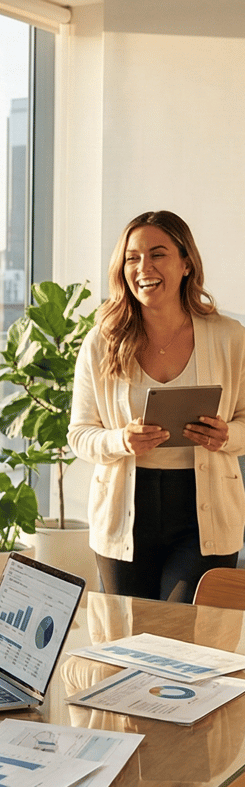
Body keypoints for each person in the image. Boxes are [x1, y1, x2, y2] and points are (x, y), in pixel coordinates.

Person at [69, 210, 245, 603]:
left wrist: (228, 435)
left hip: (204, 512)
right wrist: (120, 441)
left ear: (186, 263)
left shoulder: (230, 337)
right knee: (127, 640)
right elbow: (79, 435)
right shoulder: (103, 340)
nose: (143, 267)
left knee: (187, 634)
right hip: (125, 511)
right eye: (132, 257)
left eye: (157, 254)